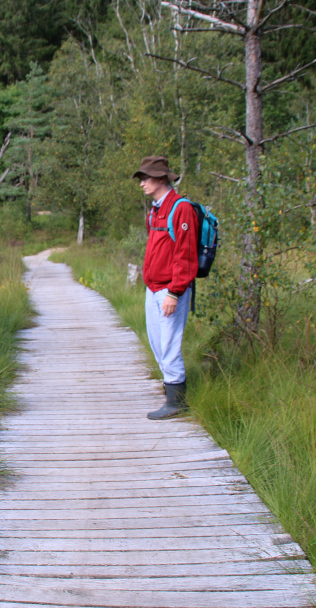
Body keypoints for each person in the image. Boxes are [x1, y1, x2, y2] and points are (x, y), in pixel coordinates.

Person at [133, 156, 198, 420]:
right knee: (157, 344)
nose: (142, 184)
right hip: (153, 288)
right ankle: (170, 391)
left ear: (161, 178)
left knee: (169, 344)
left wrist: (175, 291)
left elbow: (186, 255)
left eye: (145, 178)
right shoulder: (156, 209)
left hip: (171, 291)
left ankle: (176, 402)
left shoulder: (180, 208)